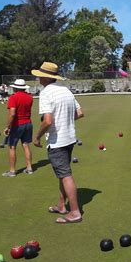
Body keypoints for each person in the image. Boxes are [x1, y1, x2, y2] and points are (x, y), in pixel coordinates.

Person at [31, 62, 84, 224]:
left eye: (40, 75)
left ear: (46, 78)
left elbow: (47, 121)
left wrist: (37, 137)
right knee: (63, 174)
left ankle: (75, 212)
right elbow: (80, 113)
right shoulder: (65, 90)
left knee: (65, 175)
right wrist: (65, 121)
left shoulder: (46, 93)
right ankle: (62, 206)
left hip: (57, 142)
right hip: (70, 139)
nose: (38, 77)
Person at [2, 79, 34, 177]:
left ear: (15, 87)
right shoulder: (30, 97)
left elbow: (12, 113)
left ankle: (12, 171)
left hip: (17, 125)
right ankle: (29, 169)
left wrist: (8, 127)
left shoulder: (13, 97)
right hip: (28, 124)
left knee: (12, 147)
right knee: (26, 145)